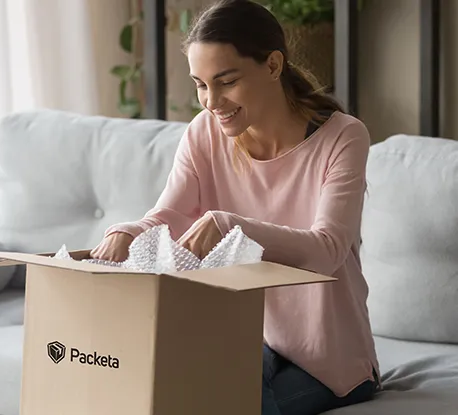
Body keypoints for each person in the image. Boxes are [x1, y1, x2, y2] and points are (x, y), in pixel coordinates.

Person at [91, 0, 380, 413]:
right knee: (175, 384)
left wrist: (233, 226)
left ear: (273, 65)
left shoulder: (343, 137)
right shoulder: (204, 132)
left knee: (230, 402)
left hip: (331, 359)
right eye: (200, 84)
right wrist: (129, 232)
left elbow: (328, 249)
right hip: (251, 338)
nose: (211, 101)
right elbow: (171, 215)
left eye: (226, 81)